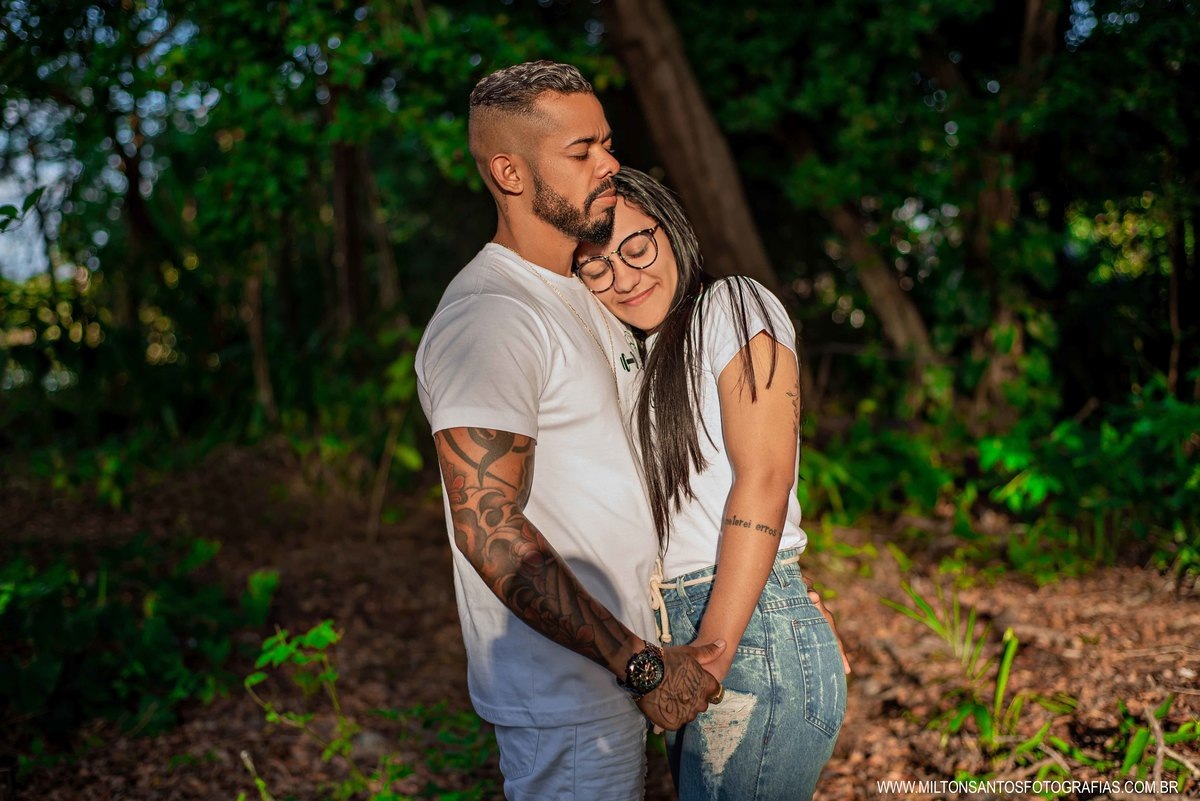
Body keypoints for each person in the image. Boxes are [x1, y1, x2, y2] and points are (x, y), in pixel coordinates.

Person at [415, 62, 727, 801]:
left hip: (627, 674)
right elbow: (488, 528)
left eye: (607, 143)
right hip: (568, 698)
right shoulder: (491, 315)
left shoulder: (587, 293)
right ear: (510, 173)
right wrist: (638, 665)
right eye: (581, 151)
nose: (609, 164)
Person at [575, 168, 849, 801]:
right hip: (686, 634)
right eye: (596, 269)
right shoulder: (640, 359)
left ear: (669, 229)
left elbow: (765, 477)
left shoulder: (732, 303)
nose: (624, 278)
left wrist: (719, 649)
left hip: (736, 633)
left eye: (636, 247)